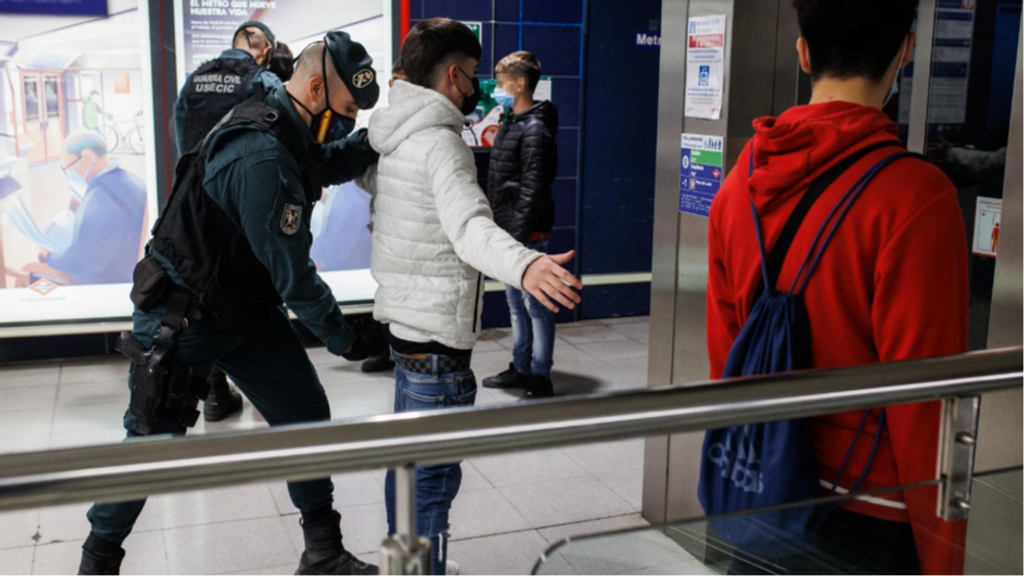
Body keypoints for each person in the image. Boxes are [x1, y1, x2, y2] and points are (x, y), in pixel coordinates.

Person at [77, 32, 383, 576]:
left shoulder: (283, 116)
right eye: (347, 111)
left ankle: (323, 553)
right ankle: (97, 563)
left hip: (245, 307)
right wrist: (347, 337)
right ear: (315, 88)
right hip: (183, 315)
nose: (348, 121)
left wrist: (377, 140)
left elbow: (319, 163)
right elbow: (294, 276)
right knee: (152, 443)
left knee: (305, 415)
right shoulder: (262, 154)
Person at [706, 1, 968, 575]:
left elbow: (727, 352)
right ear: (907, 50)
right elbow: (926, 404)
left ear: (803, 53)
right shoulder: (916, 197)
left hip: (764, 494)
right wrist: (945, 559)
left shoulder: (742, 179)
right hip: (870, 516)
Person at [357, 18, 582, 576]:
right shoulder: (441, 143)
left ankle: (403, 569)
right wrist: (526, 263)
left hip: (406, 336)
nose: (478, 88)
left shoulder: (395, 134)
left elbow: (384, 188)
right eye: (475, 76)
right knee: (431, 480)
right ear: (453, 74)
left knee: (406, 468)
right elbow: (470, 227)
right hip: (438, 349)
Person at [174, 21, 285, 421]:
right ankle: (268, 388)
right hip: (245, 202)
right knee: (256, 287)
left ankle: (217, 394)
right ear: (265, 48)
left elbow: (182, 142)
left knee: (206, 291)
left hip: (197, 205)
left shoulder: (194, 79)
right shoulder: (265, 79)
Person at [481, 51, 560, 399]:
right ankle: (521, 366)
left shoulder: (535, 128)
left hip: (526, 232)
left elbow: (533, 186)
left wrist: (517, 238)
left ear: (520, 83)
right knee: (516, 304)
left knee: (535, 305)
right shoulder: (513, 120)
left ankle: (541, 375)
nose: (497, 86)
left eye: (502, 80)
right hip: (509, 230)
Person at [21, 132, 146, 286]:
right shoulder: (132, 180)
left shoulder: (101, 198)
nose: (70, 174)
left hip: (102, 281)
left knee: (28, 270)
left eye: (69, 167)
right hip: (126, 270)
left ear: (88, 158)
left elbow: (81, 259)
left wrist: (50, 257)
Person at [357, 58, 410, 375]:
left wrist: (356, 171)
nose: (392, 87)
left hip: (404, 228)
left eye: (398, 80)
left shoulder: (414, 128)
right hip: (386, 225)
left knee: (401, 293)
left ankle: (397, 352)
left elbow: (388, 180)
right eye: (391, 80)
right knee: (388, 291)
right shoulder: (385, 124)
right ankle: (391, 351)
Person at [173, 21, 282, 153]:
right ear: (267, 51)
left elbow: (182, 134)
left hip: (199, 171)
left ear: (233, 46)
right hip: (244, 171)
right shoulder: (265, 80)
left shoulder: (193, 79)